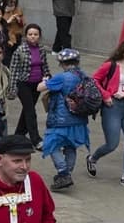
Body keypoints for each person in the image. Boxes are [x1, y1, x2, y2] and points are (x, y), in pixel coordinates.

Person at [86, 38, 124, 188]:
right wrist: (106, 95)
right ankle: (93, 158)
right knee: (112, 144)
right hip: (112, 107)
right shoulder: (111, 65)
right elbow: (94, 80)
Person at [38, 48, 90, 191]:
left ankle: (63, 172)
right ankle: (67, 173)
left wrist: (46, 80)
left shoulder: (61, 77)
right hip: (79, 119)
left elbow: (40, 88)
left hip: (60, 121)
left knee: (51, 145)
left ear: (61, 63)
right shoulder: (83, 76)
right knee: (71, 147)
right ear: (78, 62)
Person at [8, 24, 51, 150]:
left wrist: (48, 76)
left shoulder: (42, 49)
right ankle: (36, 139)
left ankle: (18, 136)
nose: (33, 37)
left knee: (27, 111)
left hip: (37, 85)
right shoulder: (20, 50)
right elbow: (14, 70)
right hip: (24, 84)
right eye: (30, 34)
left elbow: (45, 66)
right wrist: (12, 89)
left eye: (35, 34)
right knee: (31, 112)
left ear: (39, 36)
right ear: (26, 36)